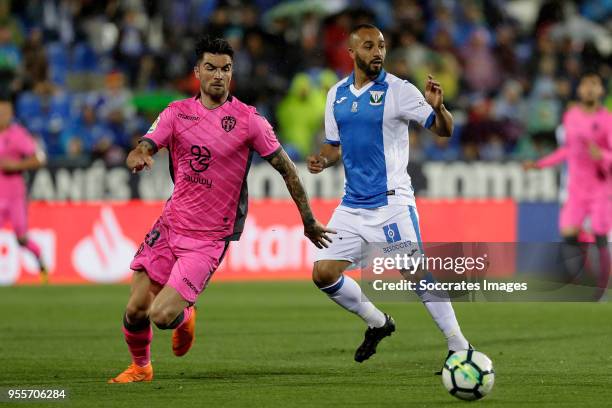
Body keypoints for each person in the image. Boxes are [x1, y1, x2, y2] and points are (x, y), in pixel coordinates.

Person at [108, 36, 333, 383]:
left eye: (226, 69)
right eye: (211, 68)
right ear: (197, 71)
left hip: (209, 238)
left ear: (232, 73)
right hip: (170, 225)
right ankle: (141, 368)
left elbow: (287, 169)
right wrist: (140, 154)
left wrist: (308, 220)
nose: (218, 75)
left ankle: (185, 317)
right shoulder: (176, 112)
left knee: (162, 315)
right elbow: (145, 145)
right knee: (136, 308)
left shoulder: (248, 121)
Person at [307, 24, 471, 366]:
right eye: (369, 46)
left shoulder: (400, 90)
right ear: (351, 53)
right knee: (323, 273)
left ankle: (459, 345)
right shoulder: (336, 94)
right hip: (352, 207)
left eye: (381, 45)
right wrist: (323, 158)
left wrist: (439, 108)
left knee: (415, 272)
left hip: (392, 204)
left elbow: (444, 130)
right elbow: (334, 145)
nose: (378, 51)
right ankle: (378, 322)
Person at [525, 72, 611, 293]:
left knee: (601, 236)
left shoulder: (607, 120)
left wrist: (600, 155)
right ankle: (589, 282)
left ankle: (602, 289)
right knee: (569, 235)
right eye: (585, 84)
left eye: (594, 84)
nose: (589, 89)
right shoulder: (571, 116)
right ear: (580, 90)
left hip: (601, 188)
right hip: (576, 190)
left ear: (601, 90)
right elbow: (567, 150)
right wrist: (540, 164)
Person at [0, 95, 47, 282]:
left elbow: (39, 158)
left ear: (11, 114)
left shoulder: (17, 134)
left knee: (21, 238)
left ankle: (40, 261)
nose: (2, 115)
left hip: (14, 195)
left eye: (5, 112)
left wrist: (16, 165)